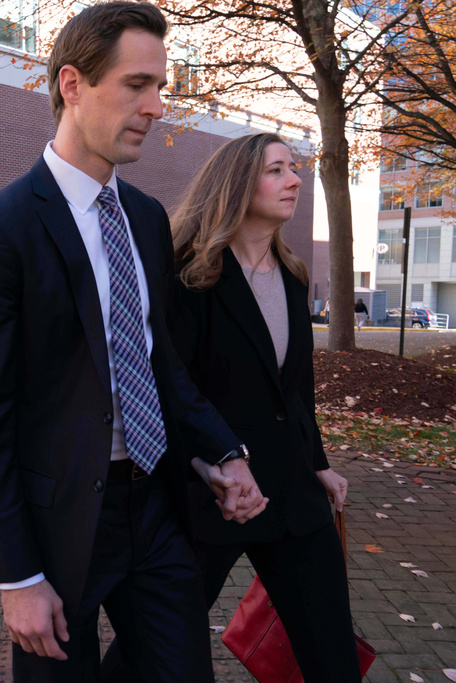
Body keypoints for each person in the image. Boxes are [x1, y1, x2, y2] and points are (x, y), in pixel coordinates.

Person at [0, 3, 267, 681]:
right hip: (56, 523)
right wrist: (16, 575)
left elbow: (157, 365)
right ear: (72, 84)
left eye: (161, 88)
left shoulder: (148, 220)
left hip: (153, 505)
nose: (156, 106)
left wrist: (222, 453)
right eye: (137, 84)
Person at [168, 133, 361, 681]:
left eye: (294, 169)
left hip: (293, 495)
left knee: (333, 657)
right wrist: (210, 465)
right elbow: (174, 385)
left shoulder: (294, 274)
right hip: (215, 498)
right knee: (154, 651)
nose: (295, 180)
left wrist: (318, 461)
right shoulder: (191, 273)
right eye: (278, 170)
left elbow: (297, 388)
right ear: (237, 185)